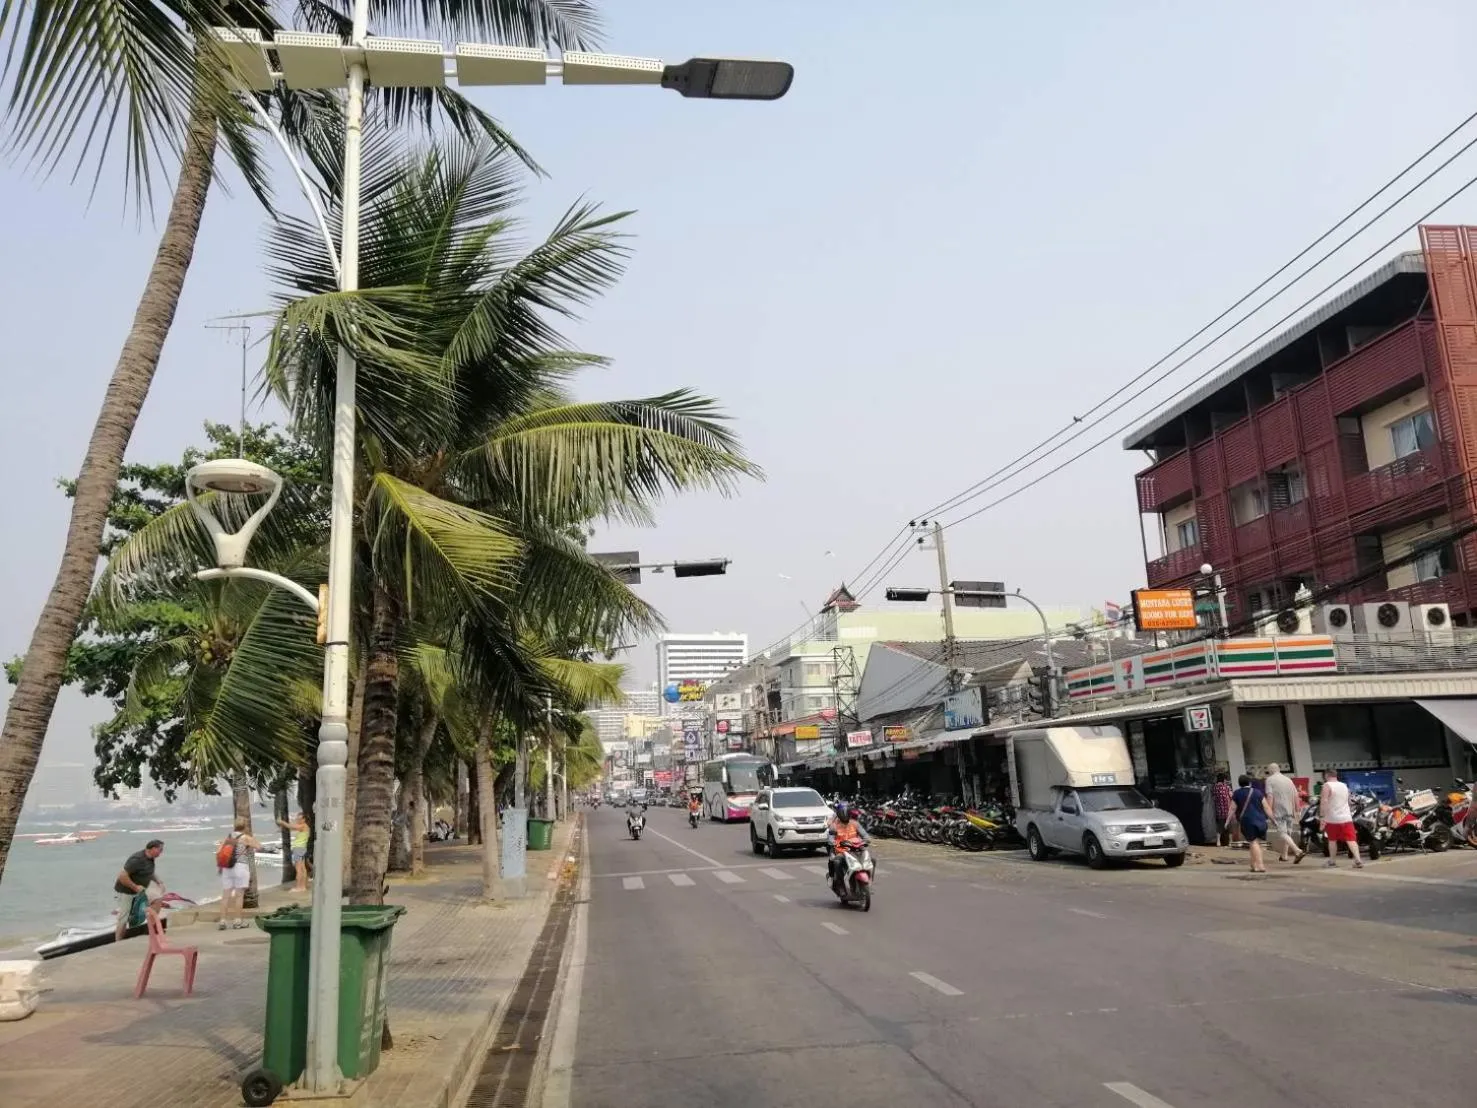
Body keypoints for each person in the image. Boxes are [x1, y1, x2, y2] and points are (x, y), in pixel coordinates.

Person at [114, 839, 165, 940]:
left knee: (157, 899)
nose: (161, 852)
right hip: (126, 891)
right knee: (124, 918)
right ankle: (118, 941)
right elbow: (122, 875)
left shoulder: (150, 858)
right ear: (153, 849)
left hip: (141, 890)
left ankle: (150, 930)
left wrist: (159, 882)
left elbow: (149, 872)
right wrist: (135, 887)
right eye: (160, 850)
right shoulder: (137, 859)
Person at [218, 820, 264, 930]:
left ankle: (222, 921)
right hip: (240, 867)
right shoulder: (245, 837)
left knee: (225, 896)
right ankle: (237, 921)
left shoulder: (228, 837)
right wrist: (250, 844)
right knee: (239, 896)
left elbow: (219, 851)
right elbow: (259, 847)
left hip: (227, 868)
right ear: (245, 827)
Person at [1318, 768, 1364, 869]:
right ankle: (1358, 860)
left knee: (1332, 840)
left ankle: (1332, 861)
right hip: (1346, 818)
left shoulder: (1327, 786)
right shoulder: (1344, 785)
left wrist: (1322, 817)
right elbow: (1349, 801)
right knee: (1351, 839)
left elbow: (1324, 801)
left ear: (1326, 775)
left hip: (1332, 819)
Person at [1262, 763, 1306, 863]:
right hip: (1290, 810)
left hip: (1278, 810)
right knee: (1288, 833)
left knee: (1282, 833)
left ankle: (1297, 851)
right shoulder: (1288, 780)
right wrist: (1297, 810)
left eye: (1268, 770)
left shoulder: (1269, 780)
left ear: (1271, 770)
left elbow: (1270, 796)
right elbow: (1295, 795)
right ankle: (1284, 855)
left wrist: (1269, 810)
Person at [1230, 774, 1273, 874]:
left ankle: (1260, 865)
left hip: (1248, 821)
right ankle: (1253, 864)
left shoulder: (1237, 793)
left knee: (1253, 842)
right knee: (1255, 843)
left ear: (1239, 783)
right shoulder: (1258, 792)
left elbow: (1232, 808)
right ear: (1249, 782)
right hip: (1261, 820)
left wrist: (1227, 821)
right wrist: (1273, 819)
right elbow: (1266, 807)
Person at [826, 802, 870, 888]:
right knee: (837, 862)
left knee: (872, 860)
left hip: (856, 850)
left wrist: (866, 840)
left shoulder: (855, 824)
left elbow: (865, 835)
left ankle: (868, 880)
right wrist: (833, 843)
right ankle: (840, 885)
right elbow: (830, 838)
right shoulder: (834, 826)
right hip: (841, 852)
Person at [277, 811, 310, 892]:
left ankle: (299, 887)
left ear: (304, 819)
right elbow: (293, 826)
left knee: (299, 869)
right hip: (302, 848)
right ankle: (303, 886)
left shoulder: (303, 826)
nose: (297, 820)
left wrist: (282, 822)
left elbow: (290, 826)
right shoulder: (306, 827)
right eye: (297, 818)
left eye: (299, 819)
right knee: (303, 868)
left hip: (298, 849)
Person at [1212, 772, 1234, 847]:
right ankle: (1230, 842)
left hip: (1219, 809)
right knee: (1229, 826)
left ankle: (1218, 841)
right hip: (1227, 809)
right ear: (1224, 779)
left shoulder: (1214, 787)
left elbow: (1214, 798)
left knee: (1220, 826)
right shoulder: (1227, 787)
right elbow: (1231, 796)